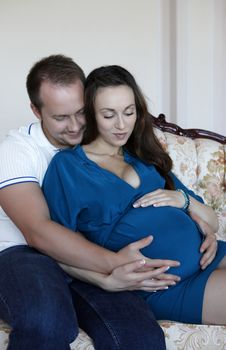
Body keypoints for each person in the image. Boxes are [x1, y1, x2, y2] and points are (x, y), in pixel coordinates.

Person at [0, 55, 184, 350]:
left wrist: (194, 212)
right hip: (23, 255)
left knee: (140, 337)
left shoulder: (107, 143)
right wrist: (112, 266)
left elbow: (157, 185)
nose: (75, 127)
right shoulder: (15, 151)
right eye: (60, 117)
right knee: (47, 322)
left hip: (87, 254)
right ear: (36, 110)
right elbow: (38, 232)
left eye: (81, 112)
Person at [42, 64, 226, 326]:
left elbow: (212, 219)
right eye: (108, 115)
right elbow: (56, 250)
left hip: (209, 254)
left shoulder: (143, 155)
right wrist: (106, 279)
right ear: (91, 115)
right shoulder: (68, 168)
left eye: (129, 112)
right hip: (165, 285)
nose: (121, 125)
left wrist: (184, 201)